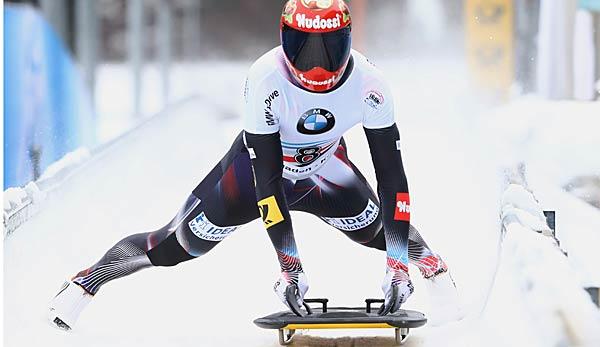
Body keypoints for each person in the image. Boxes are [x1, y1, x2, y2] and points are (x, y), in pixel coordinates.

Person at [49, 0, 457, 330]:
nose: (317, 65)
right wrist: (290, 267)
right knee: (174, 247)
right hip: (254, 173)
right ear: (284, 43)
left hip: (325, 170)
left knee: (382, 234)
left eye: (329, 49)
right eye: (304, 48)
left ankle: (434, 273)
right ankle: (86, 283)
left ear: (348, 43)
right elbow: (267, 182)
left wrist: (398, 265)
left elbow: (392, 178)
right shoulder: (265, 79)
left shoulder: (371, 84)